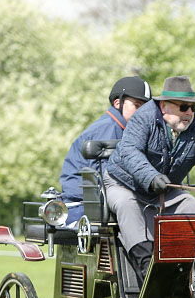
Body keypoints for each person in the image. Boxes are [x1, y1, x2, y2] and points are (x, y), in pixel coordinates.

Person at [104, 75, 195, 278]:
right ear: (164, 106)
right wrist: (151, 177)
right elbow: (130, 152)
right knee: (126, 205)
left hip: (164, 188)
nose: (190, 113)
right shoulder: (143, 118)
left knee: (190, 206)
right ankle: (148, 271)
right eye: (184, 107)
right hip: (123, 184)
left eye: (193, 108)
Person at [58, 76, 152, 225]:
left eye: (146, 108)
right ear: (117, 103)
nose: (142, 112)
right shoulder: (109, 128)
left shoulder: (120, 128)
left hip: (94, 202)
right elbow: (109, 177)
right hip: (83, 207)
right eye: (137, 105)